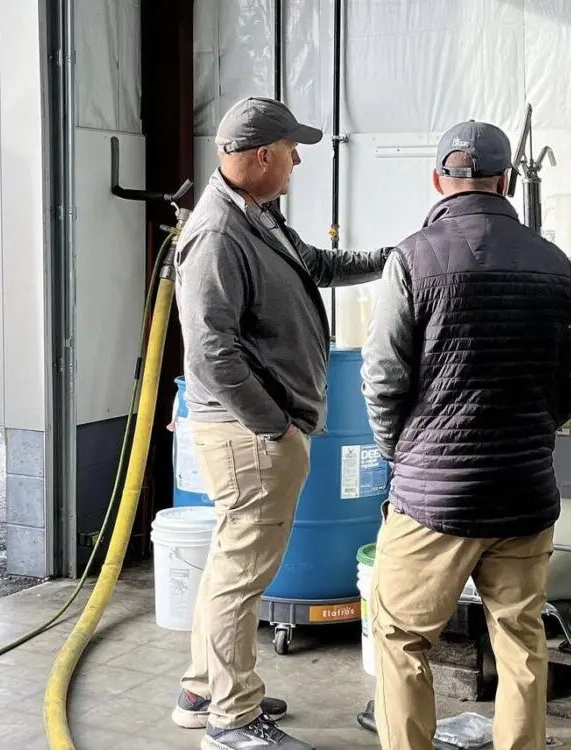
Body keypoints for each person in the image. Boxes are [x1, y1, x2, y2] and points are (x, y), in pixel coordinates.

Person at [360, 120, 571, 750]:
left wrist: (402, 453)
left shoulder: (412, 258)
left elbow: (384, 378)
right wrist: (530, 428)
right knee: (522, 637)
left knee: (401, 637)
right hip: (524, 491)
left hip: (434, 497)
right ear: (505, 180)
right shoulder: (556, 263)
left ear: (439, 179)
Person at [171, 96, 394, 750]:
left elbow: (318, 268)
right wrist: (276, 427)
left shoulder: (259, 217)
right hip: (251, 435)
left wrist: (394, 258)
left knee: (229, 565)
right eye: (293, 149)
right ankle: (232, 721)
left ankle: (202, 686)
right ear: (262, 155)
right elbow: (211, 351)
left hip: (261, 433)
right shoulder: (217, 234)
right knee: (243, 577)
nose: (299, 160)